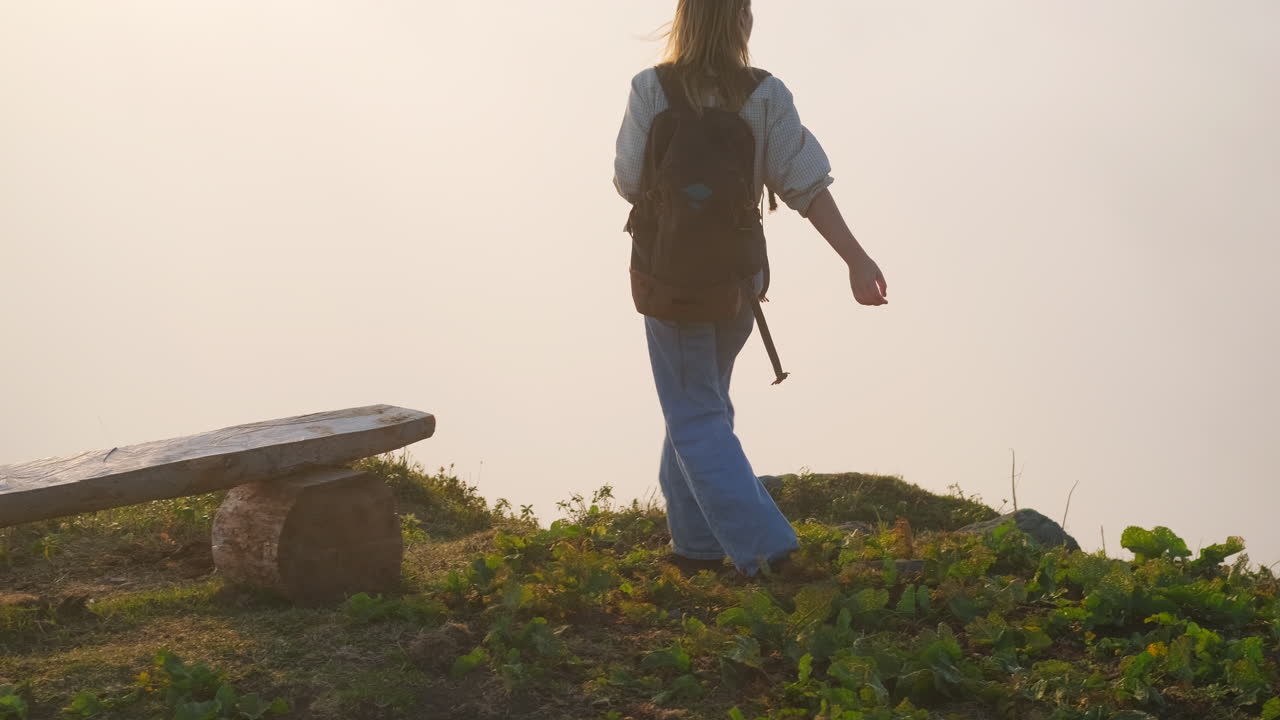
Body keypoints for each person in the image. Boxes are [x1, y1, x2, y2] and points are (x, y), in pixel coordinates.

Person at [613, 0, 888, 577]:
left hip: (670, 282)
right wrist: (856, 260)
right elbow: (807, 185)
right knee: (699, 406)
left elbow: (627, 180)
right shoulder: (765, 95)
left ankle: (770, 553)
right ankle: (694, 548)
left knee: (694, 412)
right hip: (737, 284)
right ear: (741, 22)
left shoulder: (650, 89)